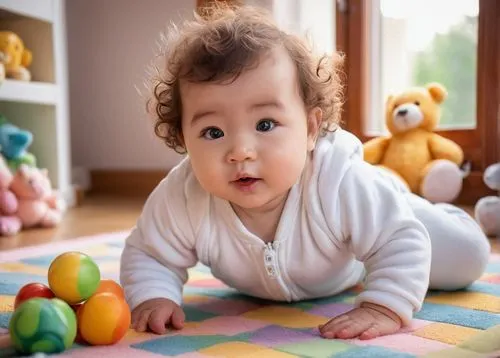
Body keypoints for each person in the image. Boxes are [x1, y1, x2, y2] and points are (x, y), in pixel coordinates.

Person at [120, 3, 490, 340]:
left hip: (367, 232)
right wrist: (154, 294)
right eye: (212, 132)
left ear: (311, 129)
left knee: (466, 257)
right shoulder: (184, 195)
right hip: (303, 268)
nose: (240, 152)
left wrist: (383, 305)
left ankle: (405, 198)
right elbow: (150, 252)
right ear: (184, 137)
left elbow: (398, 240)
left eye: (265, 124)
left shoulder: (337, 181)